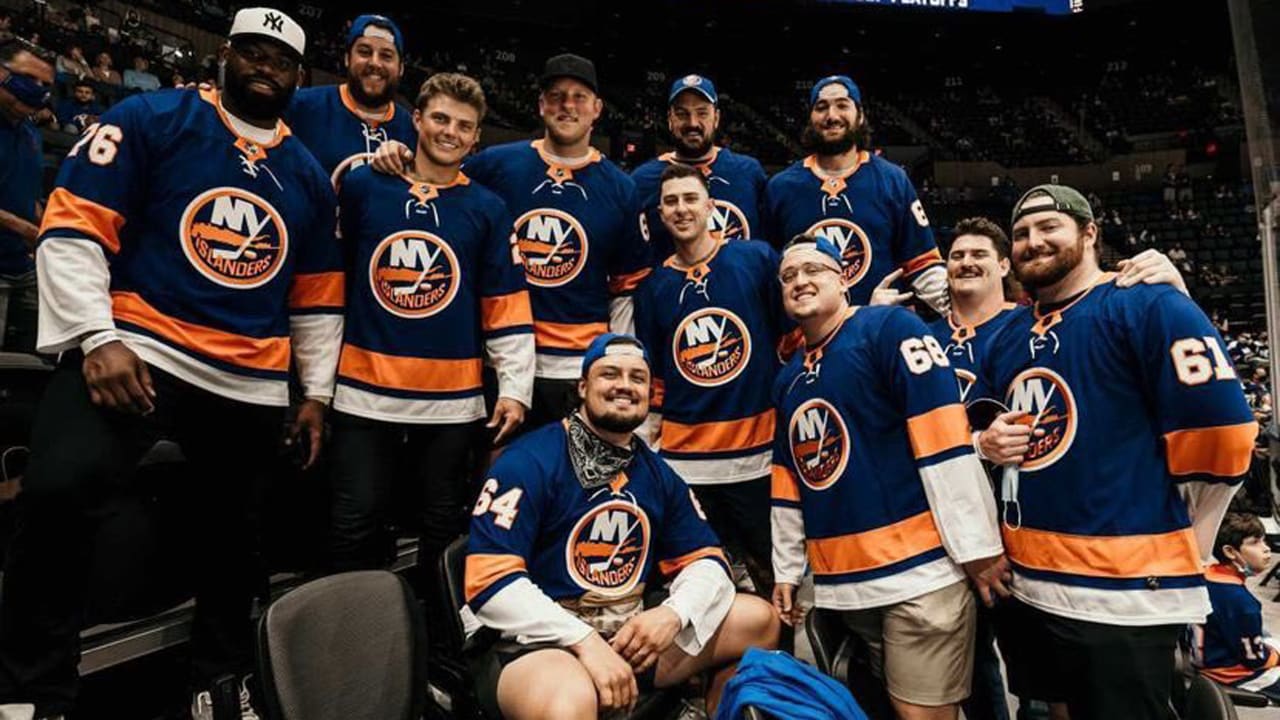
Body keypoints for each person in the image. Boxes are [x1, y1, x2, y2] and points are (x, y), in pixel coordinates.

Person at [0, 9, 344, 717]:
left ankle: (217, 682)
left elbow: (316, 303)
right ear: (226, 53)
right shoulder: (151, 116)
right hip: (137, 347)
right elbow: (71, 228)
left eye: (279, 60)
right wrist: (97, 337)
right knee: (56, 493)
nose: (262, 67)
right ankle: (34, 694)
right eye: (251, 51)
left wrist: (314, 394)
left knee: (240, 540)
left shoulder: (308, 176)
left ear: (298, 77)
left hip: (248, 375)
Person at [973, 185, 1256, 720]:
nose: (1033, 242)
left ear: (1090, 234)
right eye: (1022, 234)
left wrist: (1192, 532)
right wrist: (984, 444)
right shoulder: (1009, 332)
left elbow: (1226, 435)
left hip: (1126, 591)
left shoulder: (1146, 302)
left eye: (1048, 228)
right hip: (1030, 584)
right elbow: (982, 430)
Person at [925, 218, 1188, 720]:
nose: (965, 262)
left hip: (1051, 542)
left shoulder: (1034, 325)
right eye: (956, 255)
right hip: (951, 531)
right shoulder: (920, 337)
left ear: (1005, 266)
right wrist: (980, 442)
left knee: (1066, 694)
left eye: (980, 253)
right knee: (979, 664)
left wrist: (1173, 291)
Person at [464, 333, 780, 719]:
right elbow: (490, 587)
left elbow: (709, 563)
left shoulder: (657, 473)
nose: (624, 386)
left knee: (758, 621)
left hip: (623, 637)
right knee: (571, 699)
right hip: (538, 645)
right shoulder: (527, 461)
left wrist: (673, 614)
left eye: (637, 378)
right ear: (582, 387)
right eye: (609, 374)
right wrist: (583, 641)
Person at [771, 234, 1005, 719]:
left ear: (843, 279)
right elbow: (789, 479)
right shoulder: (788, 377)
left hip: (919, 576)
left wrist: (978, 548)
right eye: (789, 276)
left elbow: (944, 441)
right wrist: (787, 569)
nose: (799, 281)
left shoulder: (890, 329)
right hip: (843, 589)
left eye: (813, 270)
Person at [328, 72, 534, 600]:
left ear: (475, 138)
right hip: (362, 396)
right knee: (355, 525)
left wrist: (514, 388)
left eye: (463, 126)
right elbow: (328, 279)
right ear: (415, 119)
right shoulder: (364, 185)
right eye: (440, 118)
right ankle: (357, 642)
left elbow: (505, 306)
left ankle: (439, 651)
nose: (450, 132)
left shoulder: (487, 208)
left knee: (442, 530)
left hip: (451, 407)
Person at [372, 53, 650, 434]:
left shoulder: (622, 188)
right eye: (556, 96)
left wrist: (614, 361)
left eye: (579, 97)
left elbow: (625, 289)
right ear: (540, 105)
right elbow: (434, 174)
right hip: (495, 362)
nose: (567, 105)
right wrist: (398, 154)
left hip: (577, 369)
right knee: (494, 478)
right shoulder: (496, 165)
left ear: (597, 109)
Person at [634, 163, 790, 593]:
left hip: (755, 456)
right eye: (671, 202)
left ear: (711, 207)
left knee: (774, 575)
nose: (681, 209)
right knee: (703, 582)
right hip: (686, 463)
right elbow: (658, 380)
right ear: (660, 214)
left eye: (690, 199)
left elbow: (791, 339)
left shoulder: (755, 259)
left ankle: (783, 658)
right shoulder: (653, 288)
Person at [763, 75, 949, 314]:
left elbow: (922, 264)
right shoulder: (781, 187)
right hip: (808, 338)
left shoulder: (892, 180)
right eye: (822, 107)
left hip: (879, 332)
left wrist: (962, 312)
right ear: (811, 118)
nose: (832, 116)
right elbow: (769, 274)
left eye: (842, 105)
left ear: (860, 116)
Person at [630, 74, 767, 261]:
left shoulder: (748, 171)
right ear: (670, 119)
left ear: (716, 118)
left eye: (702, 113)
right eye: (682, 114)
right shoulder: (642, 180)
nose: (692, 123)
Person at [284, 14, 415, 191]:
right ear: (347, 58)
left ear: (401, 68)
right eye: (364, 52)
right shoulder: (301, 106)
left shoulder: (413, 131)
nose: (375, 63)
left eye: (386, 56)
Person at [0, 38, 53, 352]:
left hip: (23, 265)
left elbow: (25, 195)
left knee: (51, 352)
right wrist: (25, 229)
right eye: (27, 78)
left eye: (44, 83)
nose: (36, 88)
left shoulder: (30, 132)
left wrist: (47, 230)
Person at [1193, 513, 1280, 702]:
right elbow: (1256, 661)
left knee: (1266, 635)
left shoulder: (1205, 575)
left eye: (1264, 541)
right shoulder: (1242, 603)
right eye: (1255, 542)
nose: (1266, 549)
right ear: (1231, 552)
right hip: (1230, 673)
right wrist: (1275, 654)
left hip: (1207, 653)